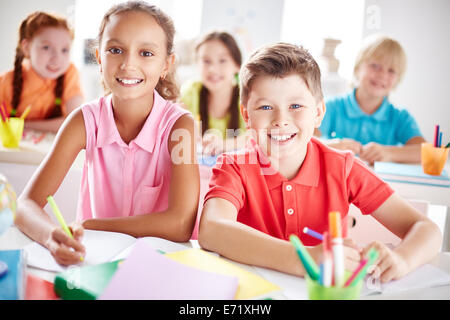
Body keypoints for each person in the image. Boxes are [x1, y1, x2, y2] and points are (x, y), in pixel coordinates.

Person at [198, 43, 442, 283]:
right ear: (247, 116)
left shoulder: (343, 168)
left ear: (318, 112)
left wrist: (401, 260)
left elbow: (427, 229)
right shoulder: (233, 166)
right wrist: (304, 259)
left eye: (296, 106)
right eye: (265, 107)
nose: (281, 120)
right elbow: (212, 229)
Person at [14, 1, 199, 266]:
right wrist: (51, 236)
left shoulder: (180, 127)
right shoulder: (83, 121)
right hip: (94, 263)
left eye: (146, 53)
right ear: (100, 58)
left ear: (166, 64)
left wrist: (91, 225)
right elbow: (26, 204)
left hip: (160, 265)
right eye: (115, 50)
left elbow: (181, 223)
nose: (127, 64)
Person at [316, 34, 425, 164]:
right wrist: (332, 146)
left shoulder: (400, 117)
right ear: (357, 68)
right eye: (375, 66)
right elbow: (304, 141)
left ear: (398, 79)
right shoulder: (332, 107)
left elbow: (425, 153)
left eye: (391, 71)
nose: (382, 75)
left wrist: (388, 153)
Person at [0, 11, 84, 133]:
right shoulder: (6, 82)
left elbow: (75, 122)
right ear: (26, 48)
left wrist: (22, 125)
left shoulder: (69, 72)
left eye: (64, 50)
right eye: (46, 47)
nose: (57, 58)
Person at [180, 31, 247, 156]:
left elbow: (258, 136)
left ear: (237, 65)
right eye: (206, 61)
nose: (213, 69)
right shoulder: (191, 91)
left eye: (222, 61)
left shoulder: (247, 96)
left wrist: (224, 144)